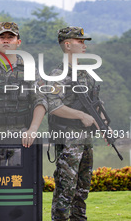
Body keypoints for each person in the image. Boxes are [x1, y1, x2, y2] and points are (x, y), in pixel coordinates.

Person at [47, 26, 99, 220]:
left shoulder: (84, 73)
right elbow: (53, 105)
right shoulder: (57, 73)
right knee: (65, 189)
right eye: (80, 41)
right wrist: (80, 115)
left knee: (82, 188)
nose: (84, 45)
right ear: (67, 45)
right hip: (68, 139)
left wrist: (103, 125)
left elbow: (94, 104)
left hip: (85, 139)